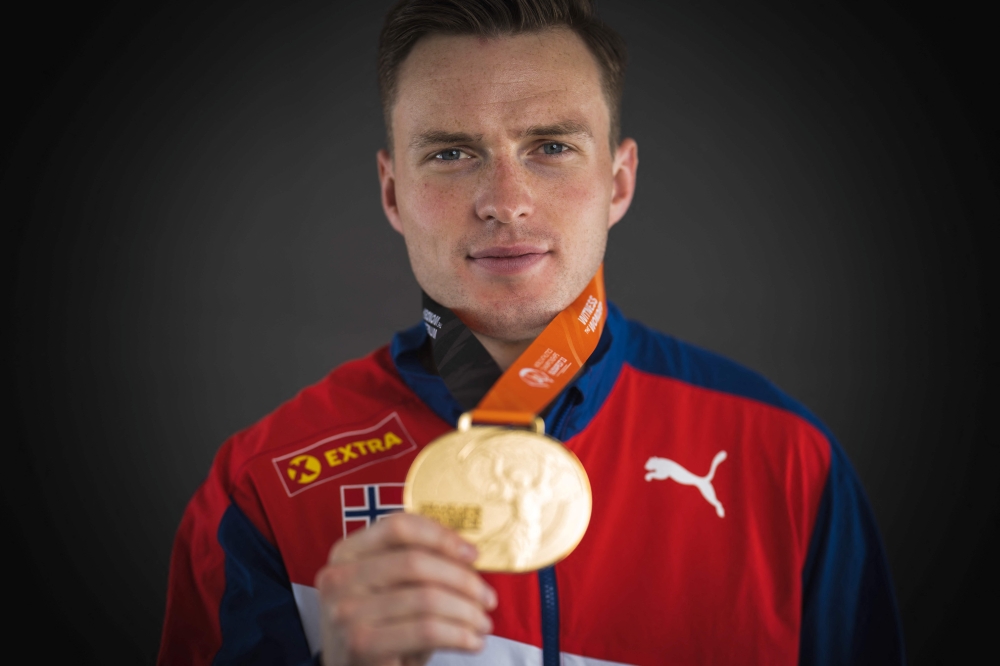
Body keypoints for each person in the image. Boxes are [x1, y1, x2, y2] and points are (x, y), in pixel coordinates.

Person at [158, 1, 904, 664]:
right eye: (451, 153)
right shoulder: (262, 482)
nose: (505, 202)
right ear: (393, 192)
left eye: (550, 147)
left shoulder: (784, 456)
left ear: (619, 182)